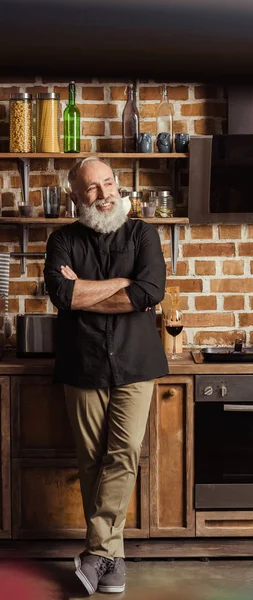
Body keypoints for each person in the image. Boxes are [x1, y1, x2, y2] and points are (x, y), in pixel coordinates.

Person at [44, 157, 168, 595]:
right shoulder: (61, 240)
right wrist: (121, 285)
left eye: (108, 183)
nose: (104, 193)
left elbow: (150, 291)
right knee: (92, 461)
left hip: (137, 362)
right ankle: (112, 564)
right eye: (92, 189)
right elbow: (62, 294)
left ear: (119, 185)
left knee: (125, 452)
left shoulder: (143, 234)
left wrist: (87, 292)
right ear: (76, 197)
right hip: (83, 363)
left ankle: (96, 553)